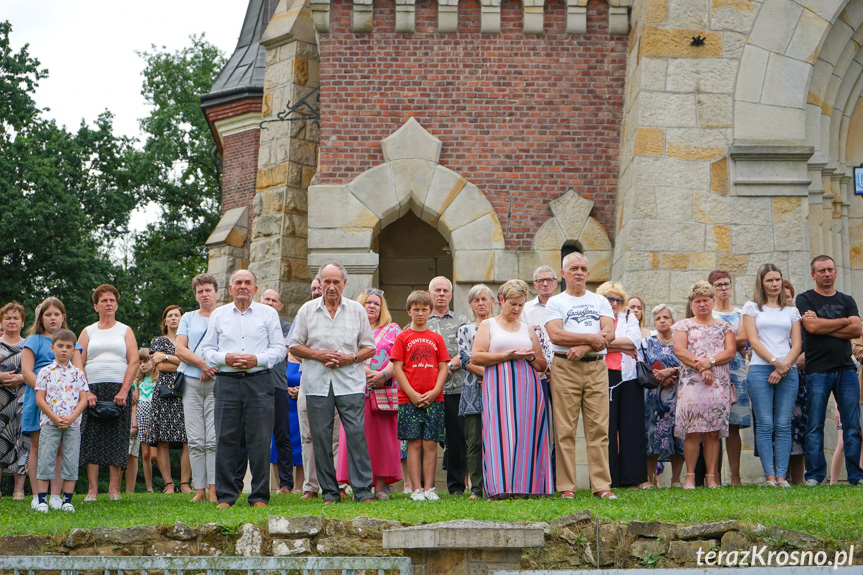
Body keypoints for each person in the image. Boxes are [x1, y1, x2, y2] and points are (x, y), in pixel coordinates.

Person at [289, 263, 375, 504]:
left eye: (336, 282)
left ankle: (362, 491)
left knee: (356, 435)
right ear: (320, 283)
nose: (331, 287)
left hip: (350, 383)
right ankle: (329, 492)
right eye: (326, 282)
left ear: (344, 284)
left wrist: (350, 358)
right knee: (320, 438)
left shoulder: (357, 310)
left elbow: (370, 347)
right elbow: (293, 345)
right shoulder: (307, 310)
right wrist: (320, 355)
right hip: (316, 384)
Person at [201, 269, 286, 507]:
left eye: (248, 283)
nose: (243, 286)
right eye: (238, 282)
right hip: (226, 382)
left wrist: (255, 360)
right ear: (229, 289)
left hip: (259, 380)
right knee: (225, 438)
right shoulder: (218, 315)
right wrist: (225, 358)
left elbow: (280, 349)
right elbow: (207, 350)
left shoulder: (268, 314)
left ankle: (259, 496)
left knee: (259, 439)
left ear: (255, 289)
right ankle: (226, 496)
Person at [545, 252, 616, 499]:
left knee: (598, 429)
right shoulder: (556, 302)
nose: (579, 272)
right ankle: (567, 487)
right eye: (574, 268)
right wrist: (591, 338)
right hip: (565, 368)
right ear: (563, 273)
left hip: (596, 366)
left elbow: (610, 333)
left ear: (588, 273)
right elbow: (556, 335)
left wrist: (586, 347)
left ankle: (601, 486)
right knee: (564, 429)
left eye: (584, 268)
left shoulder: (600, 301)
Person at [471, 279, 551, 498]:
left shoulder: (529, 329)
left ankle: (527, 487)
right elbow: (476, 356)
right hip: (498, 385)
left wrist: (531, 356)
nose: (517, 309)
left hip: (527, 386)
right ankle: (499, 488)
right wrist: (506, 356)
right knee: (499, 434)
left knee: (526, 432)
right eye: (513, 304)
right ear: (501, 301)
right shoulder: (489, 325)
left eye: (521, 305)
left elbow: (542, 366)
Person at [797, 255, 863, 486]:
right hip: (817, 369)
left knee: (853, 425)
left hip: (846, 370)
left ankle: (856, 476)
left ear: (835, 273)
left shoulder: (846, 299)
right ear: (813, 274)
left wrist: (823, 325)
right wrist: (843, 322)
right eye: (821, 270)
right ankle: (815, 476)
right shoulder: (805, 298)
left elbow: (857, 330)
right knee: (814, 424)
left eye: (830, 270)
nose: (826, 274)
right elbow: (811, 327)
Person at [335, 289, 402, 498]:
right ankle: (351, 484)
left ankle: (380, 487)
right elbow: (345, 354)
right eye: (368, 302)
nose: (372, 306)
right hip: (355, 389)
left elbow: (399, 358)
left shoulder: (393, 329)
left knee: (383, 439)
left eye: (377, 303)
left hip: (383, 392)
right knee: (353, 436)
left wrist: (382, 374)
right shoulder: (350, 328)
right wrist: (368, 373)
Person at [741, 264, 802, 487]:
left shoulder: (791, 311)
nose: (775, 284)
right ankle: (769, 476)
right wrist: (775, 363)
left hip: (788, 370)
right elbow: (754, 341)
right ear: (762, 283)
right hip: (760, 369)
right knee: (765, 423)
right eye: (770, 280)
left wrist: (784, 366)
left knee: (784, 424)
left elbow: (796, 344)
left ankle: (781, 476)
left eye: (778, 279)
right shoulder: (751, 308)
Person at [672, 281, 736, 489]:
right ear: (692, 304)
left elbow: (730, 352)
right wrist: (702, 367)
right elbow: (680, 350)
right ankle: (690, 476)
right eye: (697, 301)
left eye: (706, 300)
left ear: (713, 301)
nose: (702, 305)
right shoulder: (683, 325)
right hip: (692, 381)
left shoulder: (724, 326)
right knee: (692, 429)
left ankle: (711, 476)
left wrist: (711, 362)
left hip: (717, 382)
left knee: (713, 430)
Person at [79, 285, 139, 501]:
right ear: (96, 306)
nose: (109, 303)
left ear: (117, 304)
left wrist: (125, 390)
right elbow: (79, 361)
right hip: (93, 389)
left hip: (118, 389)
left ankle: (114, 489)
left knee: (117, 438)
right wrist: (86, 391)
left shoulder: (125, 330)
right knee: (91, 437)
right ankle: (92, 490)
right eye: (104, 300)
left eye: (112, 300)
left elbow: (133, 361)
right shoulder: (88, 331)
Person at [22, 297, 83, 510]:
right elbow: (27, 370)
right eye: (48, 314)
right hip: (39, 399)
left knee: (60, 449)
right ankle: (38, 495)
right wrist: (46, 392)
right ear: (41, 317)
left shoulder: (73, 343)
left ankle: (56, 496)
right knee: (38, 447)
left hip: (67, 403)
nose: (52, 318)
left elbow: (79, 372)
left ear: (63, 316)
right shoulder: (33, 341)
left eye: (57, 314)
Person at [233, 288, 293, 495]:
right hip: (251, 385)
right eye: (266, 299)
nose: (270, 303)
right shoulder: (250, 324)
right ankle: (237, 483)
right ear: (260, 300)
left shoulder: (287, 328)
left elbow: (281, 351)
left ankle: (285, 484)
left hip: (277, 385)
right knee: (243, 436)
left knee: (282, 435)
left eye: (274, 300)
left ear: (279, 306)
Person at [392, 290, 450, 501]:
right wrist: (412, 394)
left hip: (435, 399)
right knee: (413, 443)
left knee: (430, 443)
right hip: (409, 399)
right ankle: (416, 489)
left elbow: (443, 367)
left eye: (424, 310)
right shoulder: (402, 337)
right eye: (415, 310)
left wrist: (435, 392)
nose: (420, 314)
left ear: (430, 311)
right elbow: (398, 369)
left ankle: (429, 488)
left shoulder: (436, 338)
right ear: (409, 311)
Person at [292, 277, 345, 499]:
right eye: (315, 288)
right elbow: (293, 349)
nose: (317, 291)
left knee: (334, 436)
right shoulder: (304, 314)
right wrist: (318, 356)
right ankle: (310, 486)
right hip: (310, 380)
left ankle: (334, 485)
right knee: (309, 435)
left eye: (319, 287)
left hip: (338, 380)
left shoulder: (346, 313)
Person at [33, 329, 89, 513]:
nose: (64, 350)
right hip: (50, 423)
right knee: (46, 458)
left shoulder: (78, 374)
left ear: (74, 349)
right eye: (60, 346)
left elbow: (84, 399)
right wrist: (56, 418)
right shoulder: (45, 372)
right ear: (52, 347)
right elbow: (40, 399)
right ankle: (42, 499)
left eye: (68, 347)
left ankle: (67, 500)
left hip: (73, 424)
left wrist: (71, 418)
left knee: (71, 460)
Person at [174, 274, 219, 503]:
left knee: (212, 438)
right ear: (195, 294)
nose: (204, 294)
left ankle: (213, 489)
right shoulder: (188, 318)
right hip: (191, 382)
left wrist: (211, 368)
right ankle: (198, 489)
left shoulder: (224, 315)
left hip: (217, 382)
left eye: (208, 290)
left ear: (216, 292)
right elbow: (180, 349)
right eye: (200, 291)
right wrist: (201, 364)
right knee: (195, 438)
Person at [596, 281, 644, 488]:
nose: (614, 303)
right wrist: (619, 345)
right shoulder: (594, 319)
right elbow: (590, 343)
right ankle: (607, 480)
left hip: (627, 377)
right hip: (600, 376)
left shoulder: (629, 317)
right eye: (610, 299)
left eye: (618, 300)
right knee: (604, 430)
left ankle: (631, 479)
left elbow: (634, 342)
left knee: (630, 428)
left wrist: (603, 344)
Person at [427, 277, 468, 496]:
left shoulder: (462, 321)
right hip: (428, 391)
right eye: (437, 290)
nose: (441, 294)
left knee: (457, 437)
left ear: (451, 295)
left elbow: (466, 350)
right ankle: (426, 486)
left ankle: (456, 486)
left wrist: (447, 368)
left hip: (455, 389)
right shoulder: (422, 320)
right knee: (428, 438)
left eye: (445, 291)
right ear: (429, 293)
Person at [708, 269, 750, 486]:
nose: (723, 288)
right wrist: (732, 341)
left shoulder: (741, 313)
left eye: (726, 284)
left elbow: (745, 338)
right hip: (713, 372)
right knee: (713, 424)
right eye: (718, 285)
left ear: (731, 286)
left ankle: (735, 476)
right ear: (712, 289)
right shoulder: (709, 313)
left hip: (736, 372)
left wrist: (720, 339)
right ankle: (712, 476)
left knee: (733, 426)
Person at [456, 284, 494, 499]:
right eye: (476, 300)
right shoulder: (465, 329)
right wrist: (487, 375)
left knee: (496, 437)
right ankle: (477, 488)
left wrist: (493, 379)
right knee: (474, 441)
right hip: (472, 389)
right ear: (470, 305)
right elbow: (465, 359)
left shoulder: (499, 327)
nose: (480, 303)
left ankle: (495, 484)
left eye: (484, 299)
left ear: (492, 302)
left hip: (498, 388)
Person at [149, 305, 191, 494]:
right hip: (164, 394)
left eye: (177, 315)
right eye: (169, 316)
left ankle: (184, 484)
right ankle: (168, 484)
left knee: (188, 439)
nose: (173, 318)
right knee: (162, 440)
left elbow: (193, 361)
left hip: (187, 391)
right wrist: (184, 362)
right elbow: (161, 367)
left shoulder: (189, 341)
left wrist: (167, 357)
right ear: (164, 321)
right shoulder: (157, 341)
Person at [641, 304, 684, 488]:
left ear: (673, 321)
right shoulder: (647, 342)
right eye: (658, 318)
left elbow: (690, 364)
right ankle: (651, 480)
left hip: (679, 394)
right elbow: (642, 365)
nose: (662, 321)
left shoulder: (682, 341)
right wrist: (660, 377)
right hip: (653, 396)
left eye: (666, 317)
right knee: (652, 436)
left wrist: (672, 372)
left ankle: (676, 480)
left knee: (678, 435)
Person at [0, 302, 28, 500]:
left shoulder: (29, 345)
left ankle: (19, 488)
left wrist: (22, 378)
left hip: (23, 398)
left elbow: (38, 372)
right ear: (2, 321)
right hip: (1, 399)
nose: (12, 321)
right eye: (8, 317)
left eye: (16, 317)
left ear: (22, 322)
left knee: (22, 440)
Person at [784, 279, 808, 484]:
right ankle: (778, 476)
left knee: (798, 428)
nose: (786, 296)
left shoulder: (801, 321)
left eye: (788, 293)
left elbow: (807, 349)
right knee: (778, 426)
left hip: (800, 380)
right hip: (773, 376)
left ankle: (799, 479)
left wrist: (792, 364)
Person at [131, 348, 157, 493]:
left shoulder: (158, 378)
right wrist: (135, 423)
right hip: (141, 416)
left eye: (145, 361)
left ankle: (168, 480)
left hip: (154, 416)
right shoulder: (138, 381)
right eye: (140, 362)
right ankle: (149, 488)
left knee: (154, 455)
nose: (142, 365)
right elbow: (135, 405)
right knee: (145, 454)